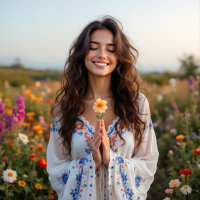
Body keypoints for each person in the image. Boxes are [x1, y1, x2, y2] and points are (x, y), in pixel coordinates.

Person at [46, 15, 159, 200]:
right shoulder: (64, 108)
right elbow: (56, 170)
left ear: (119, 56)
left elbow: (148, 163)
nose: (102, 54)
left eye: (111, 49)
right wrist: (92, 162)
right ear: (82, 53)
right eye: (93, 47)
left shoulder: (137, 104)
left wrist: (111, 160)